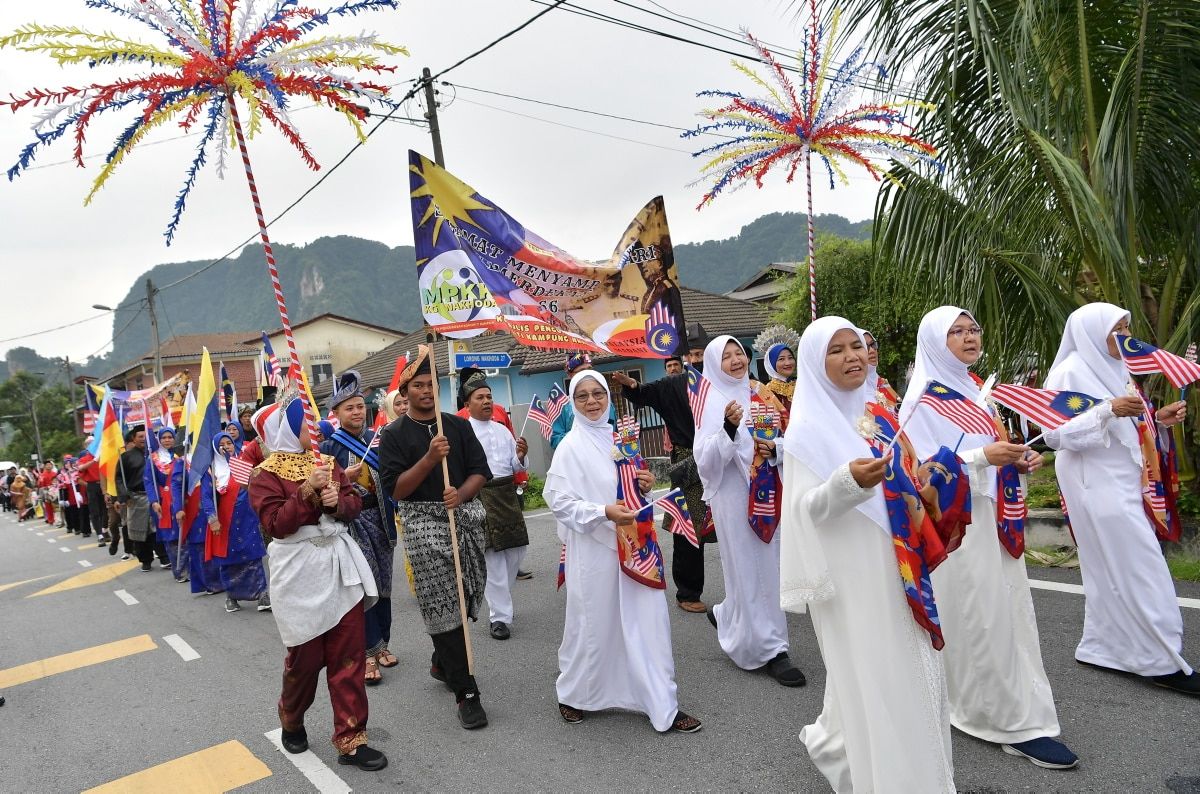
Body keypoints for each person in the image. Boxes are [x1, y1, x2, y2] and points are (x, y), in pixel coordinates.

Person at [780, 317, 955, 793]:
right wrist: (847, 483)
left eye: (856, 345)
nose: (851, 356)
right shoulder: (806, 432)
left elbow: (905, 481)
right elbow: (802, 511)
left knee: (913, 675)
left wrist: (930, 478)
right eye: (835, 350)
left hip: (899, 565)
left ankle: (905, 772)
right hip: (851, 578)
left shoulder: (878, 416)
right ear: (818, 364)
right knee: (880, 683)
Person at [900, 306, 1077, 769]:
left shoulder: (972, 391)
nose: (968, 337)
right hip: (961, 525)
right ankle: (1002, 721)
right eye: (955, 332)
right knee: (982, 619)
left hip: (995, 515)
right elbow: (919, 473)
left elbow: (981, 452)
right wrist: (984, 456)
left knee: (1010, 616)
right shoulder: (922, 399)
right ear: (936, 342)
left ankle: (1012, 705)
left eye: (972, 328)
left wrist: (1014, 460)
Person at [1043, 303, 1197, 695]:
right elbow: (1055, 436)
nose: (1125, 335)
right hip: (1093, 481)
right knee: (1139, 565)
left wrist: (1158, 418)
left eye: (1127, 326)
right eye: (1117, 328)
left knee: (1113, 568)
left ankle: (1104, 647)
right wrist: (1107, 411)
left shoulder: (1117, 369)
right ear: (1094, 332)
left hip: (1121, 477)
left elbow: (1130, 423)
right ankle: (1159, 660)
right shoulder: (1069, 371)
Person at [545, 370, 701, 733]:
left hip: (635, 547)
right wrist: (602, 513)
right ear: (573, 403)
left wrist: (643, 483)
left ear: (608, 397)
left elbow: (632, 490)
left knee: (648, 623)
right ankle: (576, 693)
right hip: (595, 552)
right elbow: (559, 501)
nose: (591, 402)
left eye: (597, 393)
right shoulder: (570, 448)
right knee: (594, 625)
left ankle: (662, 702)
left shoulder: (621, 439)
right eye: (582, 396)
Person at [247, 394, 387, 771]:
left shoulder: (327, 462)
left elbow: (352, 507)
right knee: (304, 662)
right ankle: (291, 717)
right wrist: (309, 491)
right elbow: (276, 524)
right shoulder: (264, 474)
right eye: (303, 420)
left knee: (349, 656)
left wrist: (334, 502)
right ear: (289, 428)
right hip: (297, 570)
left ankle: (351, 739)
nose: (314, 427)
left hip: (338, 566)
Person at [377, 349, 492, 730]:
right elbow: (396, 490)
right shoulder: (392, 435)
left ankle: (444, 662)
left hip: (461, 516)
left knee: (465, 597)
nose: (426, 391)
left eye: (431, 385)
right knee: (443, 603)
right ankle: (467, 692)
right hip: (423, 525)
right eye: (418, 386)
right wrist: (428, 459)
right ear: (406, 392)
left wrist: (462, 493)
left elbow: (480, 472)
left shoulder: (456, 426)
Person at [693, 335, 803, 687]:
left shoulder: (762, 392)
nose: (735, 360)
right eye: (726, 356)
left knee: (768, 566)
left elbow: (790, 435)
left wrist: (776, 449)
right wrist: (727, 427)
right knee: (746, 566)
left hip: (768, 489)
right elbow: (705, 461)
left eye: (738, 352)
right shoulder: (709, 402)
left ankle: (730, 616)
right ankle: (771, 649)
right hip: (733, 495)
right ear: (714, 364)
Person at [612, 324, 714, 614]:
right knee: (689, 527)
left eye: (703, 353)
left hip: (727, 460)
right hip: (690, 463)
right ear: (685, 358)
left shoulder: (724, 381)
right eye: (693, 354)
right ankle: (688, 592)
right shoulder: (675, 383)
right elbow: (645, 392)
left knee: (734, 524)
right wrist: (632, 386)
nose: (698, 359)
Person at [321, 371, 398, 686]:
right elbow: (321, 489)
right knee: (363, 588)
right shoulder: (329, 445)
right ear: (336, 414)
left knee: (384, 584)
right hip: (352, 524)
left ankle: (383, 643)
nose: (356, 412)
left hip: (381, 520)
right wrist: (345, 478)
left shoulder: (377, 439)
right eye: (348, 408)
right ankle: (366, 652)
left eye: (359, 406)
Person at [461, 371, 530, 641]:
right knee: (493, 559)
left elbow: (515, 466)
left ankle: (502, 600)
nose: (487, 401)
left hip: (506, 494)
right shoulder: (462, 433)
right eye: (480, 397)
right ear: (468, 404)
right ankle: (499, 617)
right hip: (481, 496)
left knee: (517, 551)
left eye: (489, 396)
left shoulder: (502, 429)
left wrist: (522, 456)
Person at [211, 432, 270, 613]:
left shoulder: (241, 464)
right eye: (221, 444)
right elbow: (207, 497)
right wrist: (211, 518)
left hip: (247, 518)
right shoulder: (211, 469)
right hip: (225, 523)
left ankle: (262, 595)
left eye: (229, 443)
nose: (226, 446)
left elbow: (255, 486)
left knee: (253, 555)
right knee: (229, 560)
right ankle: (231, 596)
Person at [171, 443, 224, 596]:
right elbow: (176, 486)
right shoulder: (183, 462)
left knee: (218, 542)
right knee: (200, 545)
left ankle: (223, 579)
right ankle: (210, 583)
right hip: (195, 510)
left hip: (218, 506)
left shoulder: (214, 458)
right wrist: (178, 509)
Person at [115, 425, 160, 572]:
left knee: (158, 528)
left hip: (156, 497)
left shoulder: (156, 453)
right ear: (134, 439)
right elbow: (119, 478)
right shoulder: (126, 457)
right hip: (136, 497)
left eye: (145, 436)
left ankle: (164, 556)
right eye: (140, 436)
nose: (143, 439)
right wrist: (124, 496)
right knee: (141, 531)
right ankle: (145, 560)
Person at [550, 354, 615, 450]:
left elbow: (614, 432)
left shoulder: (607, 404)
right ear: (570, 375)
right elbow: (555, 440)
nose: (587, 373)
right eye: (581, 371)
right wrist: (580, 435)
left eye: (589, 369)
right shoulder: (563, 406)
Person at [754, 325, 800, 420]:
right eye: (781, 359)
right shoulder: (766, 392)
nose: (787, 363)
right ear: (771, 364)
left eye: (790, 358)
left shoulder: (802, 384)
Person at [862, 330, 900, 412]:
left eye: (873, 344)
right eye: (865, 347)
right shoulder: (853, 393)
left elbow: (901, 409)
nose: (872, 350)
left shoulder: (883, 383)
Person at [76, 443, 107, 542]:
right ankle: (99, 534)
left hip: (105, 484)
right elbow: (80, 468)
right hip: (92, 485)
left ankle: (105, 529)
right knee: (95, 511)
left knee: (105, 510)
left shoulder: (104, 455)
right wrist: (94, 460)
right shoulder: (84, 459)